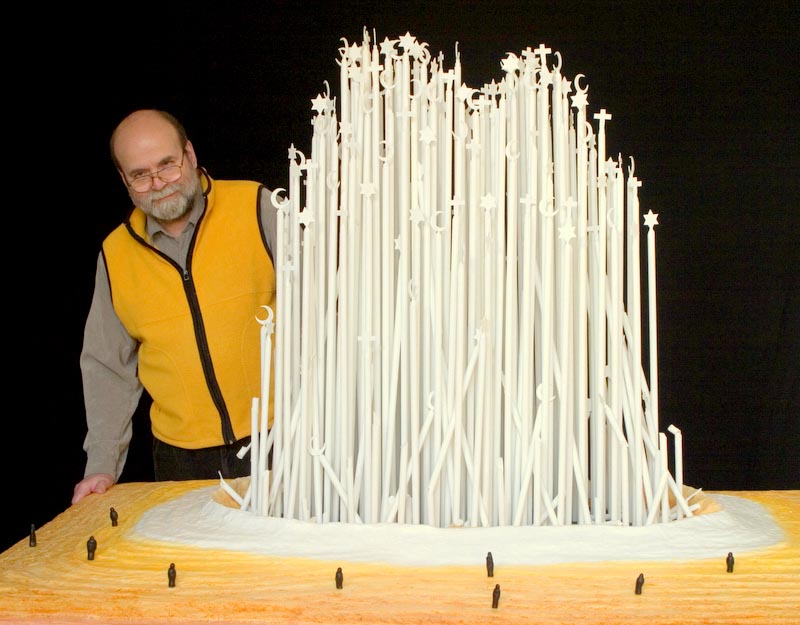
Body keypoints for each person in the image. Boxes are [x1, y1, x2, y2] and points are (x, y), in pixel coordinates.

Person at [72, 109, 278, 504]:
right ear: (124, 180)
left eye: (167, 165)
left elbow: (328, 307)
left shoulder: (257, 205)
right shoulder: (114, 255)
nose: (158, 184)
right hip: (181, 463)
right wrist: (101, 465)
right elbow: (107, 368)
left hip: (283, 437)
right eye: (140, 174)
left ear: (190, 154)